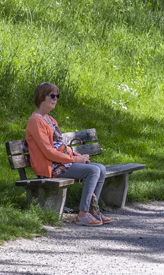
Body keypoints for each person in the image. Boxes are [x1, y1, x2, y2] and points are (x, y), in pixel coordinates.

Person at [25, 82, 109, 226]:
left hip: (61, 163)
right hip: (51, 167)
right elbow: (48, 151)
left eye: (57, 96)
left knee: (101, 168)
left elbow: (61, 145)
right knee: (93, 171)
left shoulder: (50, 120)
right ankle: (82, 214)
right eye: (52, 95)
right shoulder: (35, 121)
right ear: (41, 97)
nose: (55, 98)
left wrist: (77, 156)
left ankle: (93, 210)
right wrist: (74, 159)